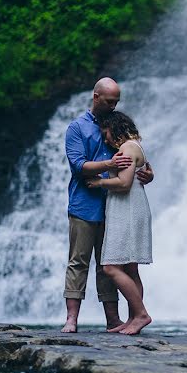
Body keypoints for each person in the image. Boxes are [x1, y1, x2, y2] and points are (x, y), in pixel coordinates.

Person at [62, 77, 153, 333]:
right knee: (79, 261)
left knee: (110, 265)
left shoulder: (117, 127)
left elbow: (138, 161)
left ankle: (115, 319)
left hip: (116, 207)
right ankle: (72, 319)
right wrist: (109, 166)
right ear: (96, 97)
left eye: (117, 102)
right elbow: (79, 166)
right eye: (109, 101)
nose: (113, 105)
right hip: (85, 204)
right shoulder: (77, 128)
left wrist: (148, 174)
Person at [86, 111, 153, 335]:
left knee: (110, 267)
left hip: (127, 209)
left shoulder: (127, 148)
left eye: (106, 134)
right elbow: (138, 176)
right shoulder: (136, 146)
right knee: (130, 267)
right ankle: (134, 318)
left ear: (116, 129)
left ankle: (141, 314)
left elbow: (124, 184)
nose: (106, 140)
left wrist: (99, 182)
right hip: (132, 207)